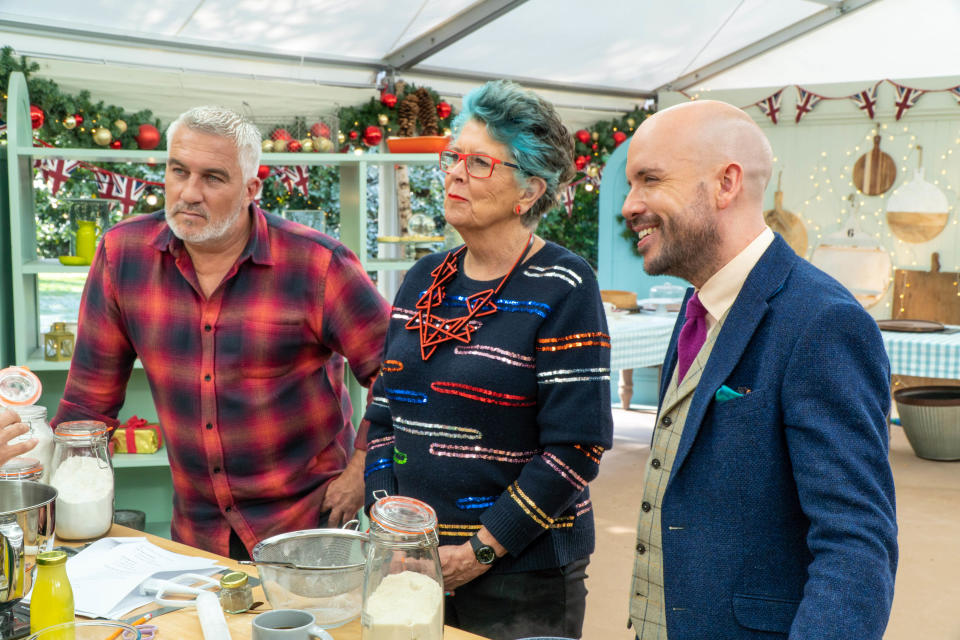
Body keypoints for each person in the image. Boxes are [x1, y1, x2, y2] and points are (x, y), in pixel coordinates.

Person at [53, 106, 391, 559]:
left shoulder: (318, 264)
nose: (189, 193)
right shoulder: (122, 255)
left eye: (213, 178)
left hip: (309, 525)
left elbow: (398, 372)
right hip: (197, 531)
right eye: (178, 171)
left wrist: (362, 468)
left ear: (252, 189)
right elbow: (87, 404)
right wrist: (65, 507)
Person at [621, 99, 897, 639]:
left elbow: (857, 544)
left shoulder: (823, 322)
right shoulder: (697, 300)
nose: (630, 205)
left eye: (650, 180)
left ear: (726, 184)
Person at [363, 80, 614, 640]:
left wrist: (479, 550)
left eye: (479, 163)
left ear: (528, 191)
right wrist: (391, 531)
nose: (453, 172)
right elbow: (382, 419)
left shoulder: (564, 284)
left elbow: (577, 447)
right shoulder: (423, 278)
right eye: (454, 156)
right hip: (411, 568)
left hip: (523, 575)